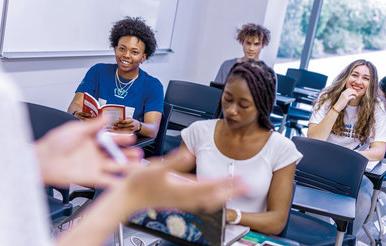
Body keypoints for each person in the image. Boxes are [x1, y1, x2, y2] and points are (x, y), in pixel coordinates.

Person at [0, 80, 246, 245]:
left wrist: (29, 164)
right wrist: (126, 199)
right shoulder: (5, 96)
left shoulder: (6, 97)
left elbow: (151, 129)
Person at [172, 61, 303, 235]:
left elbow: (276, 221)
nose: (232, 110)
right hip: (198, 232)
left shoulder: (281, 148)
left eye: (243, 105)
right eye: (227, 99)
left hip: (247, 237)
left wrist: (232, 216)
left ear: (262, 104)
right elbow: (170, 183)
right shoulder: (199, 132)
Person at [308, 59, 386, 234]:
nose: (359, 82)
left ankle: (345, 240)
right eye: (355, 75)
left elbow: (379, 151)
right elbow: (314, 139)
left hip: (352, 170)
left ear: (371, 84)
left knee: (364, 201)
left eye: (366, 78)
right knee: (316, 213)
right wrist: (338, 106)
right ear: (346, 76)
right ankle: (322, 238)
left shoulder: (377, 108)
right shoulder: (327, 98)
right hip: (320, 167)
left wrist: (348, 160)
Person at [68, 17, 163, 138]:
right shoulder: (98, 71)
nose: (126, 55)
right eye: (122, 49)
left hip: (125, 144)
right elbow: (74, 105)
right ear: (115, 49)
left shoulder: (153, 85)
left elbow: (153, 130)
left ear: (143, 57)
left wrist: (138, 125)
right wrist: (77, 113)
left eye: (134, 52)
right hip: (92, 137)